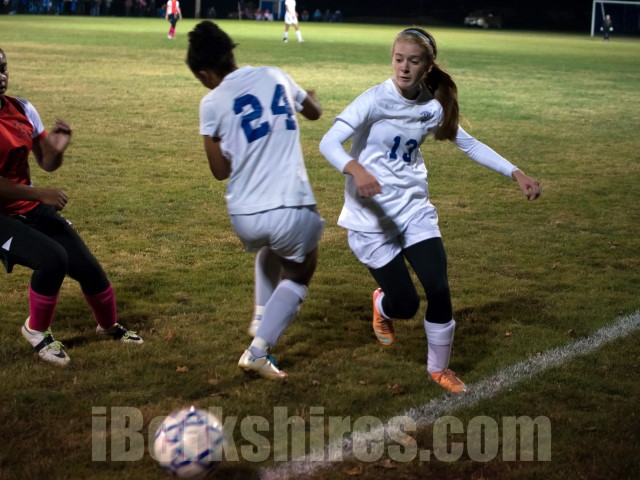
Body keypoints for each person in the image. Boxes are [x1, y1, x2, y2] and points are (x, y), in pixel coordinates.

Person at [319, 28, 541, 393]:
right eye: (398, 59)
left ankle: (439, 369)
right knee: (406, 304)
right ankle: (383, 305)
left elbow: (469, 144)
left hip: (413, 211)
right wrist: (355, 168)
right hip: (371, 217)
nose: (404, 68)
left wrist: (516, 173)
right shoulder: (374, 100)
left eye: (413, 61)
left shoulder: (432, 106)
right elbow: (329, 141)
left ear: (427, 66)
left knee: (438, 287)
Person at [187, 21, 323, 380]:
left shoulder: (211, 102)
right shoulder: (275, 75)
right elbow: (314, 111)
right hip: (291, 206)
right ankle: (258, 351)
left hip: (245, 214)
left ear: (204, 74)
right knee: (300, 269)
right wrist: (309, 96)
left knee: (272, 246)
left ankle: (262, 313)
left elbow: (219, 170)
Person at [0, 48, 143, 367]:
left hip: (29, 206)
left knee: (88, 269)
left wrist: (58, 148)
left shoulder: (22, 108)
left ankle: (108, 326)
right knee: (52, 259)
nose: (1, 77)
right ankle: (35, 330)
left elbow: (46, 162)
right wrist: (40, 195)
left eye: (4, 68)